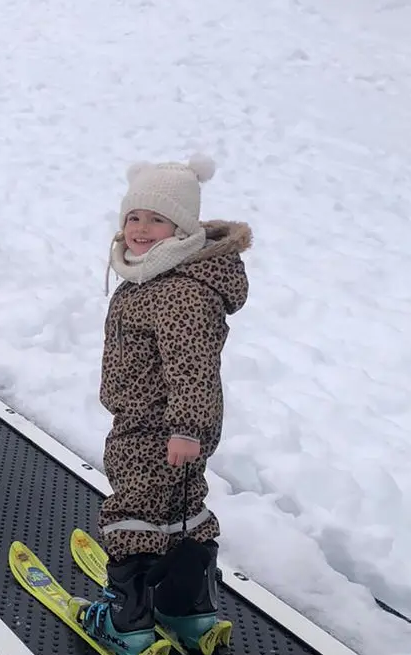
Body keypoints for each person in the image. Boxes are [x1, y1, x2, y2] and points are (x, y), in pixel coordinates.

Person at [77, 154, 251, 655]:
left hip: (156, 428)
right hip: (165, 425)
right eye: (134, 217)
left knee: (134, 513)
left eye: (157, 219)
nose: (140, 228)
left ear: (182, 229)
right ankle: (188, 610)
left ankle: (126, 623)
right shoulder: (158, 277)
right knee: (180, 509)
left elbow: (193, 367)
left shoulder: (177, 292)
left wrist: (186, 428)